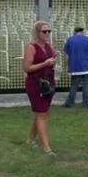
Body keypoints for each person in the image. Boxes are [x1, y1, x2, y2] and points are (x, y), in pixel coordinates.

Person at [23, 20, 56, 155]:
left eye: (49, 31)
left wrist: (53, 63)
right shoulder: (31, 47)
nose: (47, 33)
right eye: (44, 31)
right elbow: (27, 68)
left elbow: (52, 64)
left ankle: (30, 140)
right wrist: (44, 63)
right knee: (42, 114)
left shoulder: (50, 47)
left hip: (49, 82)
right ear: (37, 33)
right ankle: (46, 147)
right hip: (35, 84)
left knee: (41, 112)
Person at [62, 26, 88, 108]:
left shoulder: (70, 40)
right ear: (82, 31)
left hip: (74, 67)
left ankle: (69, 103)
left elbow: (66, 53)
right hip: (86, 67)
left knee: (74, 86)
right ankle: (86, 104)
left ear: (74, 31)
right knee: (87, 87)